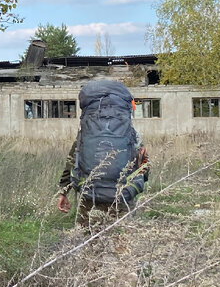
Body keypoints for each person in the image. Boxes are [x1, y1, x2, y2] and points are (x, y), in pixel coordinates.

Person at [56, 78, 150, 230]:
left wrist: (63, 192)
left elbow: (72, 162)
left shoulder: (85, 135)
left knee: (86, 243)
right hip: (122, 199)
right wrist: (131, 187)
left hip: (89, 198)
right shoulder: (132, 135)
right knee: (122, 246)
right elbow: (145, 167)